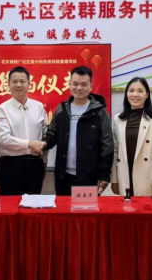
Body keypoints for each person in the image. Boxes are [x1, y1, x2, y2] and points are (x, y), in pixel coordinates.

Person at [43, 66, 114, 196]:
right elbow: (52, 134)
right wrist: (42, 144)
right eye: (75, 84)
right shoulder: (61, 109)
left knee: (85, 208)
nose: (79, 88)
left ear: (90, 86)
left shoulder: (99, 112)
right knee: (64, 208)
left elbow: (107, 144)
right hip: (63, 175)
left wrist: (104, 175)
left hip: (89, 175)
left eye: (84, 84)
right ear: (70, 84)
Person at [111, 78, 152, 197]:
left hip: (148, 179)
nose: (135, 94)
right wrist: (114, 179)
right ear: (126, 93)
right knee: (126, 207)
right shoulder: (118, 119)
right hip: (124, 176)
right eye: (131, 90)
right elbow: (115, 151)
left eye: (140, 91)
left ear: (147, 94)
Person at [0, 66, 48, 196]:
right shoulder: (2, 109)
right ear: (8, 84)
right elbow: (4, 139)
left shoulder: (39, 107)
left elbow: (45, 136)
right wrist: (30, 144)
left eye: (22, 81)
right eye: (14, 81)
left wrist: (45, 162)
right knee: (9, 205)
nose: (18, 85)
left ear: (29, 84)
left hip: (35, 165)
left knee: (33, 205)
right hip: (10, 166)